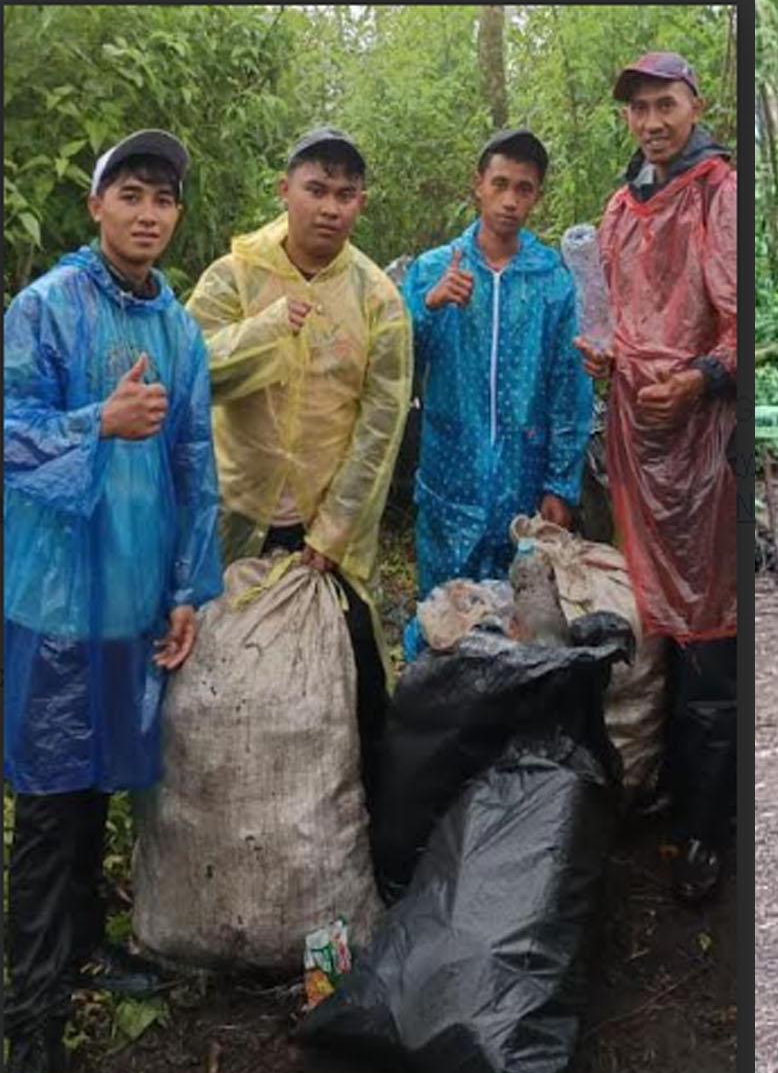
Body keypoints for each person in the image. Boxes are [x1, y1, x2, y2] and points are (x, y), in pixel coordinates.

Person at [3, 130, 224, 1073]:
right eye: (130, 195)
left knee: (102, 778)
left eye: (164, 201)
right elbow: (7, 431)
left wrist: (185, 589)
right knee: (48, 807)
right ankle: (25, 1049)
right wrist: (99, 419)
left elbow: (195, 463)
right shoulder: (45, 307)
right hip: (53, 601)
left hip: (134, 595)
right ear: (98, 208)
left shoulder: (180, 330)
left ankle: (89, 948)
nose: (148, 214)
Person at [186, 127, 412, 805]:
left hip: (325, 536)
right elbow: (191, 369)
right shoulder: (236, 275)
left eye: (345, 195)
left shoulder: (378, 299)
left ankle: (362, 834)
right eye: (316, 189)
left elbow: (382, 423)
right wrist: (269, 329)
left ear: (361, 204)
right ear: (285, 191)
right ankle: (219, 811)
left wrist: (335, 531)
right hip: (236, 517)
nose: (330, 208)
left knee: (357, 688)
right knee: (212, 679)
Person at [574, 51, 738, 904]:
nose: (651, 122)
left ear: (694, 103)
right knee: (650, 621)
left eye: (664, 104)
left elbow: (744, 326)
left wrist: (702, 380)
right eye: (638, 109)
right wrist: (603, 352)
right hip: (636, 440)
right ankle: (663, 787)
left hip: (703, 448)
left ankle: (708, 828)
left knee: (709, 630)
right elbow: (606, 315)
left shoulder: (717, 190)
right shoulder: (619, 203)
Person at [398, 128, 594, 659]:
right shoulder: (433, 270)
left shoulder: (551, 277)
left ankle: (507, 734)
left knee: (519, 619)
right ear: (478, 186)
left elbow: (568, 384)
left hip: (523, 483)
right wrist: (427, 308)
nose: (510, 200)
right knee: (443, 614)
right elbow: (388, 364)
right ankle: (437, 727)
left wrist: (562, 482)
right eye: (501, 184)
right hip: (449, 479)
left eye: (524, 189)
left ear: (537, 196)